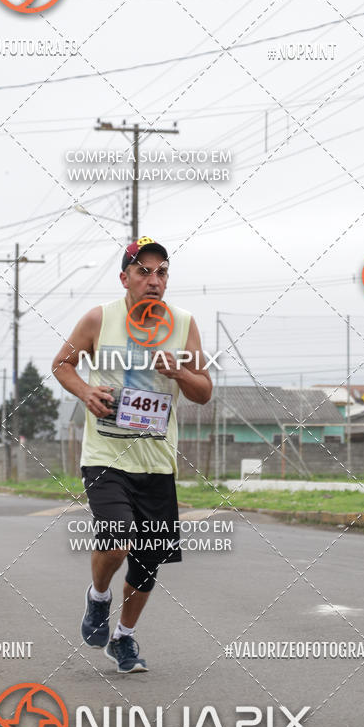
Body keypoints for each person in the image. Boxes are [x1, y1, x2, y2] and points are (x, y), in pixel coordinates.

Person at [52, 236, 212, 673]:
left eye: (161, 272)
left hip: (157, 462)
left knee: (148, 560)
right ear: (125, 278)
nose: (153, 280)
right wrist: (85, 391)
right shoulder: (99, 319)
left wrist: (177, 370)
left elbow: (203, 391)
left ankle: (123, 638)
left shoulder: (183, 324)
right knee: (119, 540)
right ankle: (98, 597)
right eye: (143, 271)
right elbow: (62, 364)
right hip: (105, 455)